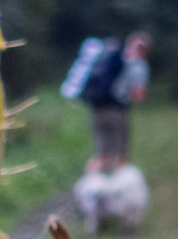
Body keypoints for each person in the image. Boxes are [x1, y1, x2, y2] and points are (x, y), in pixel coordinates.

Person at [60, 30, 150, 172]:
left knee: (101, 153)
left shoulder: (108, 58)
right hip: (117, 111)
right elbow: (138, 95)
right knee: (120, 154)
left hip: (97, 109)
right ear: (144, 49)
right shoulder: (137, 66)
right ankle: (119, 189)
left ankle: (92, 186)